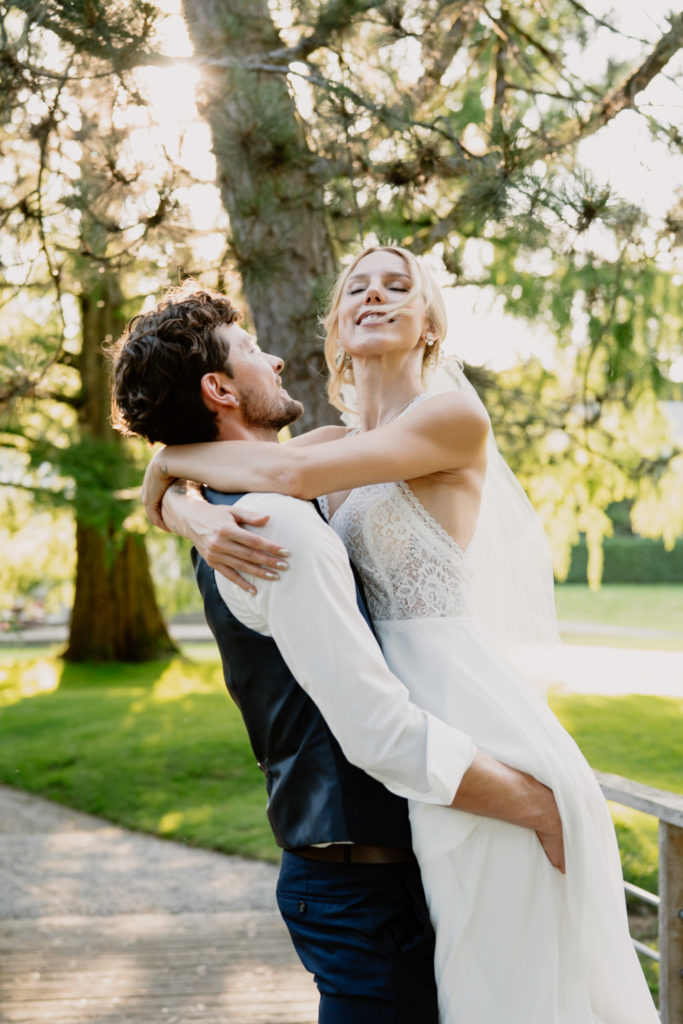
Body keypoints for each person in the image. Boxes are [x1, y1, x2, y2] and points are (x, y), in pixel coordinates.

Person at [141, 250, 659, 1024]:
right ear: (337, 329)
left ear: (430, 325)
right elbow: (257, 471)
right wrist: (184, 505)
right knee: (457, 981)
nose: (375, 295)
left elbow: (268, 479)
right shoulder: (323, 446)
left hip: (471, 721)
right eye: (356, 286)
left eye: (397, 286)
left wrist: (169, 476)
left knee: (508, 978)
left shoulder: (452, 419)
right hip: (408, 737)